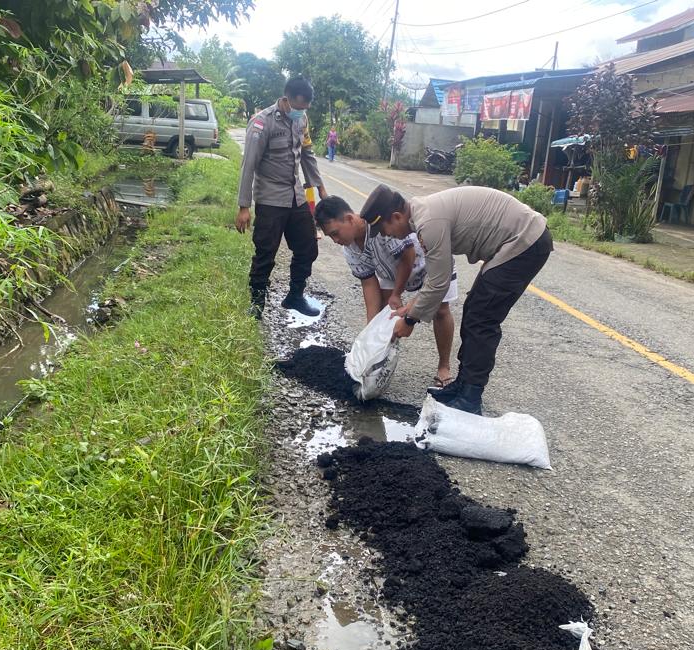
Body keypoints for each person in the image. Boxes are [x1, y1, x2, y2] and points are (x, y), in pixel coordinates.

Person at [359, 183, 552, 415]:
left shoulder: (428, 223)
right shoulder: (422, 214)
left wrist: (409, 320)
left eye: (384, 229)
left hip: (524, 242)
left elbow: (439, 283)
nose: (387, 235)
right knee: (473, 310)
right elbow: (435, 280)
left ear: (397, 216)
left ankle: (470, 397)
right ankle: (463, 385)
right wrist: (411, 307)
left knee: (482, 318)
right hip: (514, 243)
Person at [314, 195, 456, 387]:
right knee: (387, 315)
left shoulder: (379, 225)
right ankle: (377, 364)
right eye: (331, 236)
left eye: (335, 233)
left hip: (430, 266)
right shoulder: (350, 249)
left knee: (440, 310)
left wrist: (397, 294)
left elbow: (408, 256)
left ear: (349, 219)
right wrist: (370, 332)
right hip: (392, 272)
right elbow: (368, 283)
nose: (335, 240)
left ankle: (444, 366)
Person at [236, 75, 327, 319]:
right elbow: (248, 166)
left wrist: (319, 187)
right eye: (298, 107)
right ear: (286, 100)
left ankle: (295, 296)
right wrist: (244, 206)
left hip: (295, 196)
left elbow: (307, 154)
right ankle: (257, 303)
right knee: (265, 252)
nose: (301, 112)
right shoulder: (261, 123)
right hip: (270, 199)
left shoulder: (302, 120)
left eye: (305, 108)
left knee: (308, 247)